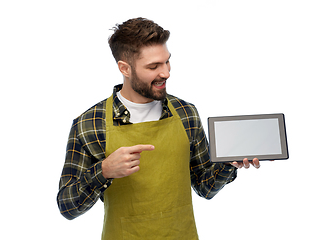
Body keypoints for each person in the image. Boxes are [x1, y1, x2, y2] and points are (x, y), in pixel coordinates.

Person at [57, 17, 260, 239]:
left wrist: (229, 163)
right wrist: (104, 171)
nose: (166, 73)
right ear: (125, 68)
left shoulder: (186, 113)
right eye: (153, 66)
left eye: (167, 62)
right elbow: (67, 207)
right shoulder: (89, 124)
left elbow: (205, 187)